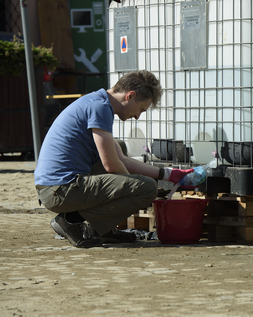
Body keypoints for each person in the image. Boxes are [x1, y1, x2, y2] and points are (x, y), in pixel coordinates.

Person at [34, 70, 192, 248]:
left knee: (120, 148)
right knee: (147, 188)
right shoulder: (100, 107)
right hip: (60, 190)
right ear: (130, 96)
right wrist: (133, 189)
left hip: (57, 187)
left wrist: (169, 174)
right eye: (141, 109)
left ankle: (103, 230)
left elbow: (121, 159)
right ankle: (70, 221)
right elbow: (111, 165)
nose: (138, 116)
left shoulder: (97, 101)